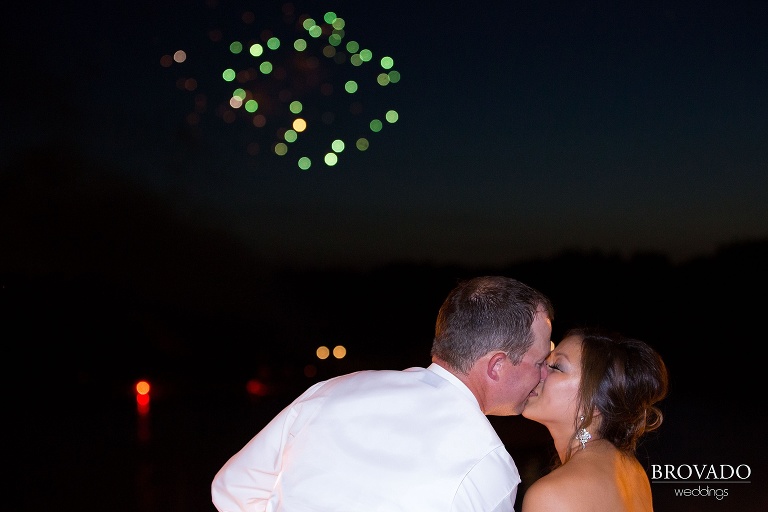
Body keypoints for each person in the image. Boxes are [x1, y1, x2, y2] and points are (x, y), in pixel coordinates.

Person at [211, 276, 555, 512]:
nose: (544, 375)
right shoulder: (485, 464)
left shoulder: (335, 390)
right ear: (496, 365)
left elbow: (233, 487)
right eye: (540, 361)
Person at [521, 327, 669, 512]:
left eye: (556, 367)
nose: (539, 372)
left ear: (595, 404)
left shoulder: (551, 494)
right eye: (544, 362)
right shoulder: (633, 472)